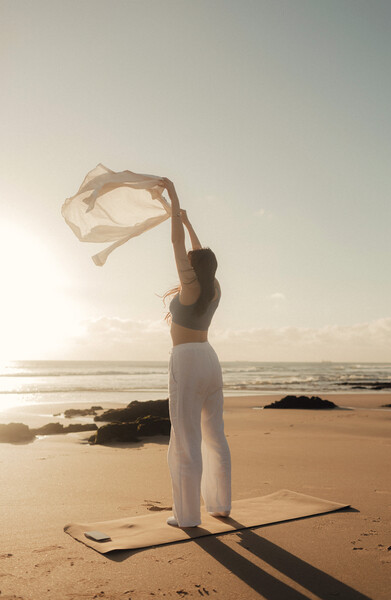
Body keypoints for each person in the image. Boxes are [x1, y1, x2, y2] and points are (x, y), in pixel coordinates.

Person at [160, 177, 232, 528]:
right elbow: (201, 256)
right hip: (210, 359)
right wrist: (188, 222)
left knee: (185, 438)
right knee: (214, 435)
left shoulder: (191, 287)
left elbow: (177, 245)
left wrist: (173, 196)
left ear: (194, 267)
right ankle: (220, 505)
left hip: (187, 360)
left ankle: (187, 517)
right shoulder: (213, 287)